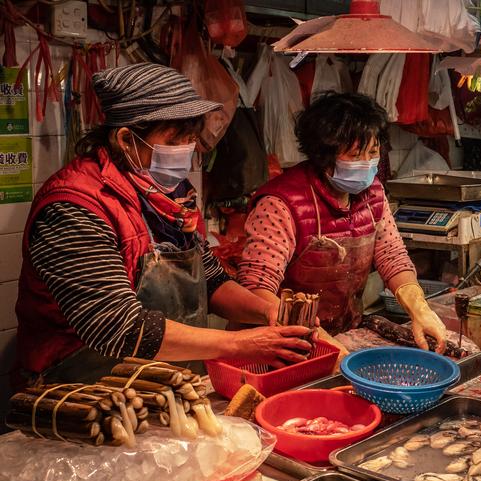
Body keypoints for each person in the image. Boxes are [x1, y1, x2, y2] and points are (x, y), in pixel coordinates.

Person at [13, 63, 311, 387]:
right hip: (80, 396)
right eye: (175, 139)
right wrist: (242, 345)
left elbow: (210, 281)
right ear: (126, 139)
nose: (188, 149)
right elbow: (117, 327)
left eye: (190, 138)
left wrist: (268, 311)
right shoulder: (74, 207)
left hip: (162, 385)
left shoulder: (170, 195)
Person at [237, 92, 447, 353]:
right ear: (324, 155)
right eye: (355, 154)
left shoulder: (373, 194)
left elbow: (392, 257)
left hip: (345, 333)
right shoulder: (279, 203)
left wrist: (420, 309)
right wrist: (324, 344)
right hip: (277, 345)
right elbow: (256, 288)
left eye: (372, 152)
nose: (367, 163)